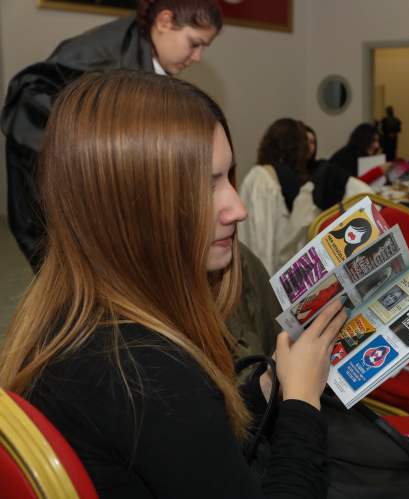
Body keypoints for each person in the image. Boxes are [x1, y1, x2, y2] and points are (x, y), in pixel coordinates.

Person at [0, 69, 348, 498]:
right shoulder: (149, 373)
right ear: (134, 209)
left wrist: (267, 389)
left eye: (228, 177)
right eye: (206, 186)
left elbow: (191, 448)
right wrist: (302, 404)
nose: (237, 208)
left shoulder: (71, 320)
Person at [1, 0, 222, 271]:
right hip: (44, 182)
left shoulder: (140, 44)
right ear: (164, 21)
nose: (197, 57)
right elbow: (27, 99)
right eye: (194, 43)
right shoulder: (107, 60)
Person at [238, 118, 309, 274]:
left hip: (248, 266)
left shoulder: (254, 176)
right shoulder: (282, 178)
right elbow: (264, 242)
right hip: (273, 270)